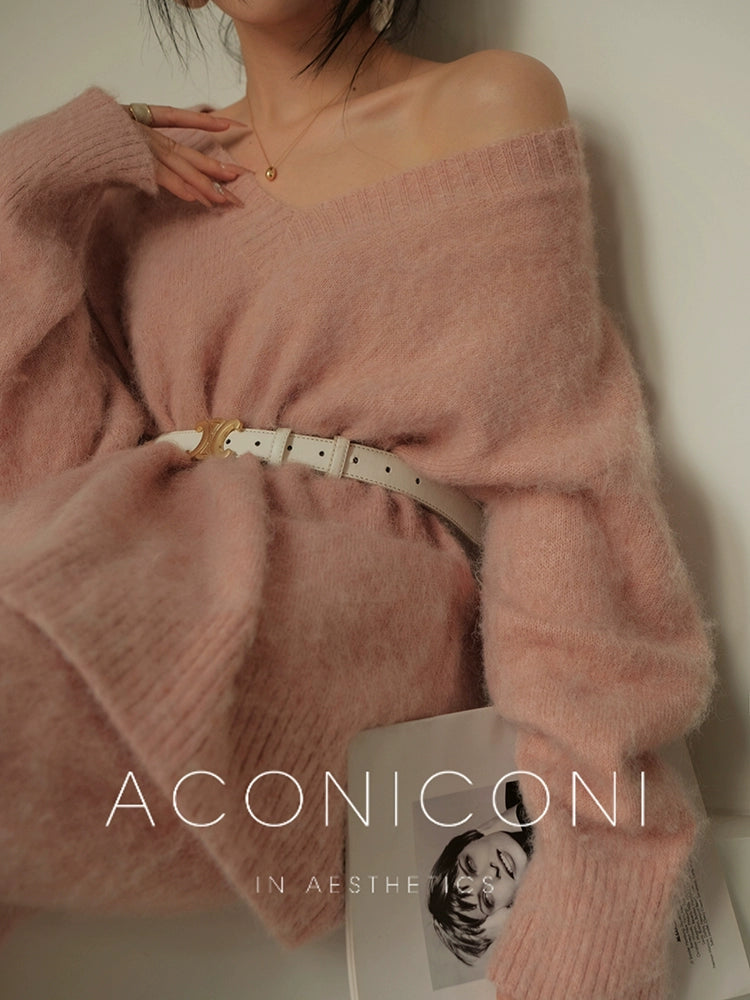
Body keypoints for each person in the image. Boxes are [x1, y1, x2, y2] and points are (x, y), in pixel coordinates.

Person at [0, 2, 714, 998]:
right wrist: (33, 177)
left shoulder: (482, 105)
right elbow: (48, 466)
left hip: (366, 603)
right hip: (148, 574)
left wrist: (596, 852)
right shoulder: (137, 187)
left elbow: (560, 481)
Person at [428, 781, 534, 968]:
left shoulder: (521, 791)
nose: (491, 873)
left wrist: (498, 823)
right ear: (508, 909)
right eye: (487, 899)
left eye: (470, 865)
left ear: (468, 841)